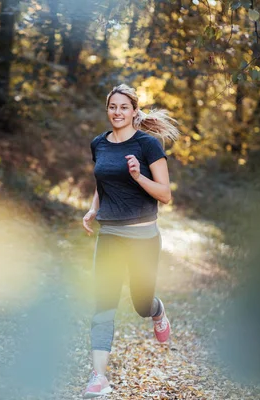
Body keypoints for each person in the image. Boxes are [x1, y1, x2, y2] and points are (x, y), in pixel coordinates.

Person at [81, 84, 180, 398]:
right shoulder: (99, 143)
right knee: (103, 304)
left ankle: (156, 310)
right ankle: (99, 378)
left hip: (143, 236)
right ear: (108, 109)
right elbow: (103, 181)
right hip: (109, 233)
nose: (117, 112)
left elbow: (165, 194)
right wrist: (93, 209)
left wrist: (138, 177)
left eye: (124, 107)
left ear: (134, 112)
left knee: (140, 303)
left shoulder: (147, 145)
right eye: (113, 106)